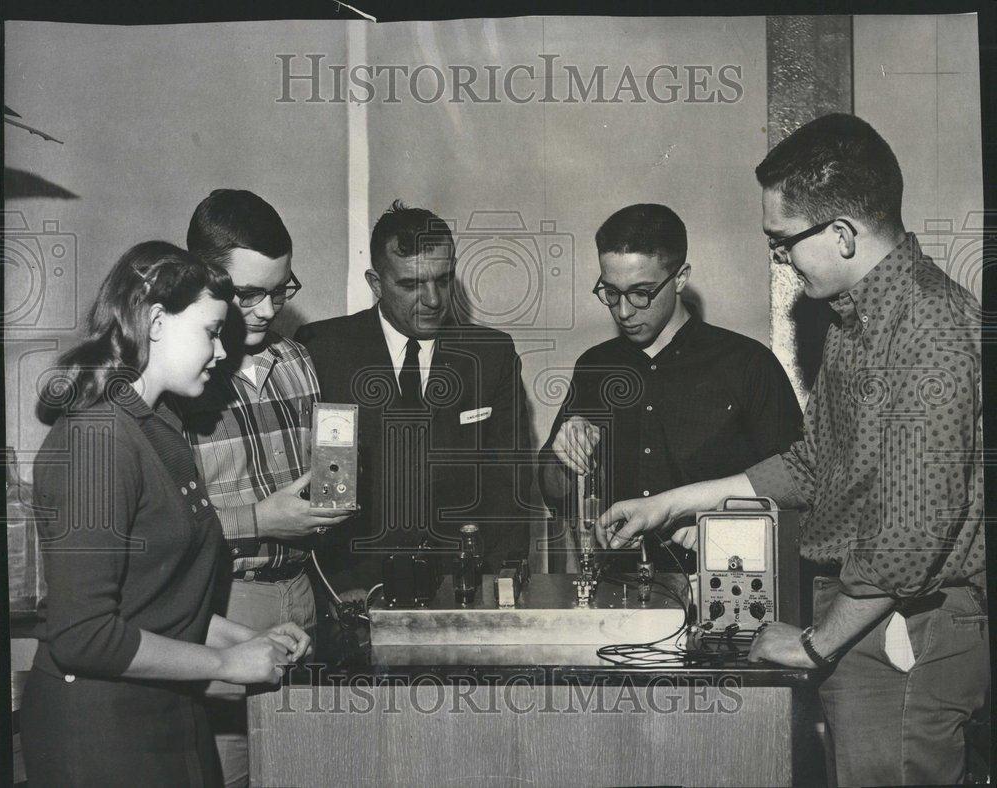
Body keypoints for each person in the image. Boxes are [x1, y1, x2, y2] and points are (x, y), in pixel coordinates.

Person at [596, 114, 987, 786]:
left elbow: (911, 537)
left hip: (902, 624)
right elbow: (813, 465)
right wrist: (667, 505)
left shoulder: (930, 327)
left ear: (839, 234)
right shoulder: (854, 321)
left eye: (782, 244)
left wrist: (815, 643)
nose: (781, 260)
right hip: (868, 616)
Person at [21, 242, 310, 787]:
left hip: (165, 710)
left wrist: (244, 639)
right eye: (209, 333)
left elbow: (151, 602)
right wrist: (226, 664)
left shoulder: (160, 429)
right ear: (155, 321)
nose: (222, 353)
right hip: (99, 730)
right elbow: (83, 636)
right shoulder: (95, 439)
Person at [180, 189, 352, 786]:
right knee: (229, 773)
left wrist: (336, 487)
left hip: (304, 595)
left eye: (280, 291)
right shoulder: (178, 377)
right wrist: (256, 519)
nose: (266, 309)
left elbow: (333, 474)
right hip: (219, 603)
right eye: (247, 294)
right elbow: (153, 532)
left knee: (304, 768)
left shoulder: (297, 361)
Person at [539, 203, 801, 571]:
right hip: (618, 588)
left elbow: (794, 483)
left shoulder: (748, 365)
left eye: (641, 293)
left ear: (679, 278)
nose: (624, 311)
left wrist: (725, 524)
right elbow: (553, 492)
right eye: (610, 292)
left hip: (719, 583)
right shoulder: (594, 366)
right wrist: (561, 456)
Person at [296, 200, 533, 597]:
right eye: (410, 284)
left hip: (462, 587)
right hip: (354, 591)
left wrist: (499, 590)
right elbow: (321, 486)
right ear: (376, 283)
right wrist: (334, 593)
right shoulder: (322, 350)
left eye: (443, 280)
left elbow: (508, 489)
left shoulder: (492, 355)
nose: (434, 300)